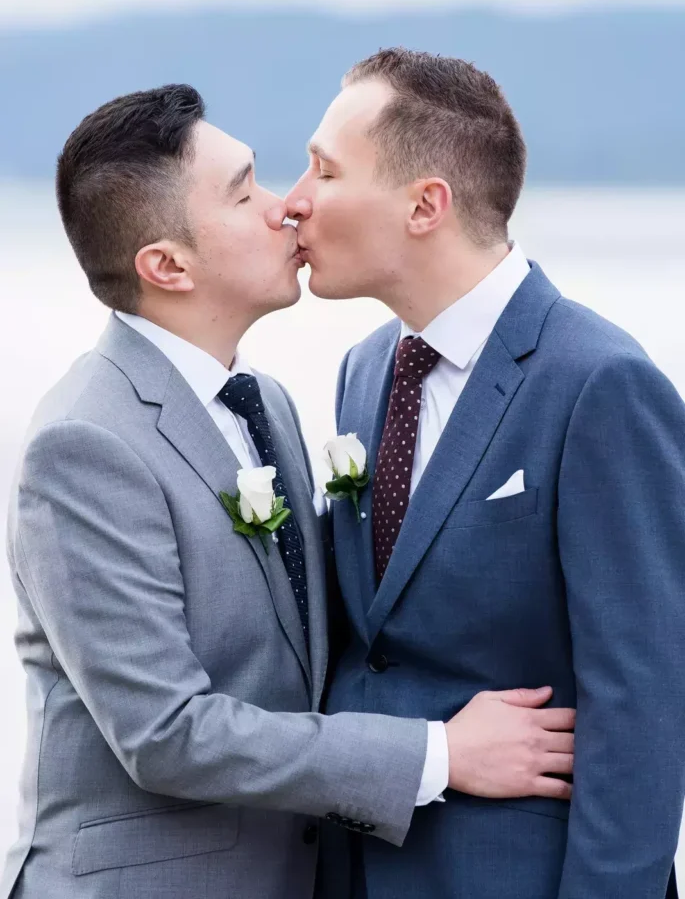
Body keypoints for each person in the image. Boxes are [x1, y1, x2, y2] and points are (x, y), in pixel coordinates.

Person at [2, 85, 574, 899]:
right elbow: (167, 734)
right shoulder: (85, 443)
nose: (288, 209)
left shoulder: (262, 402)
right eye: (245, 192)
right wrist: (441, 754)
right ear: (167, 265)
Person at [287, 48, 685, 899]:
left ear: (424, 204)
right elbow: (376, 651)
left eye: (324, 170)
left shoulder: (599, 383)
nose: (294, 200)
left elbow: (643, 703)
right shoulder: (363, 371)